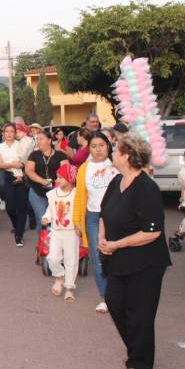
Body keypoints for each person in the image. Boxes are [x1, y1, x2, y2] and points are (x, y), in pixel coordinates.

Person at [99, 133, 171, 369]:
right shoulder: (116, 181)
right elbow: (103, 213)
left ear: (127, 156)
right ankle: (136, 350)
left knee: (140, 311)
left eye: (116, 150)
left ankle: (140, 362)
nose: (112, 153)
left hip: (146, 260)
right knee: (114, 301)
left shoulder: (147, 188)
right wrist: (102, 238)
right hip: (119, 256)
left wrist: (116, 244)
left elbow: (152, 232)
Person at [73, 132, 118, 314]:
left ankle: (120, 295)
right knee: (98, 259)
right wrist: (77, 221)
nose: (98, 150)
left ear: (108, 145)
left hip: (115, 217)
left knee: (118, 256)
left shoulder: (117, 165)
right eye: (93, 146)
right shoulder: (84, 168)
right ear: (88, 148)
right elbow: (79, 195)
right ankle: (106, 297)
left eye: (101, 145)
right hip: (92, 217)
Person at [42, 164, 80, 303]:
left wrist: (80, 225)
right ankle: (59, 276)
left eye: (61, 177)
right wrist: (47, 217)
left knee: (71, 260)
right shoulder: (53, 194)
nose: (57, 180)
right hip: (56, 231)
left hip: (71, 232)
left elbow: (80, 212)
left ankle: (69, 287)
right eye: (58, 177)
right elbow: (50, 209)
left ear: (70, 179)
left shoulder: (76, 194)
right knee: (52, 258)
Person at [26, 130, 69, 232]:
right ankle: (44, 245)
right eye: (37, 139)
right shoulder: (34, 154)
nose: (38, 141)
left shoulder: (60, 155)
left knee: (56, 218)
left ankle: (51, 245)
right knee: (43, 219)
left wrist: (57, 182)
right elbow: (29, 170)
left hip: (57, 192)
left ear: (49, 140)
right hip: (37, 192)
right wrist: (42, 181)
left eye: (41, 139)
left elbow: (66, 171)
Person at [0, 124, 28, 246]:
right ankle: (17, 225)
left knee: (22, 206)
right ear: (3, 133)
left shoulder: (20, 145)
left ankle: (19, 235)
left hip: (21, 176)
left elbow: (24, 162)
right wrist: (14, 165)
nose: (9, 134)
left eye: (11, 131)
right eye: (6, 131)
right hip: (8, 176)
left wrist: (19, 164)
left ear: (15, 133)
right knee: (10, 207)